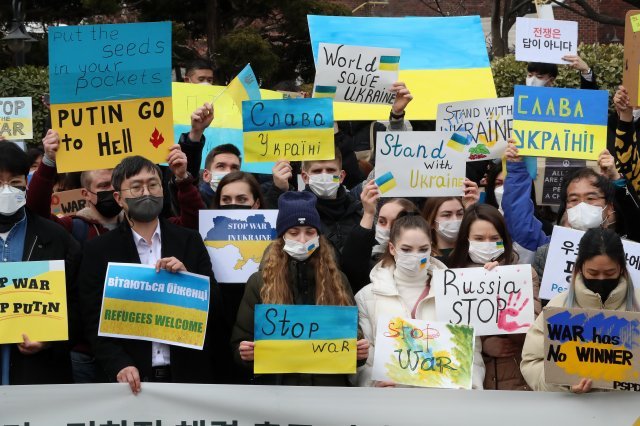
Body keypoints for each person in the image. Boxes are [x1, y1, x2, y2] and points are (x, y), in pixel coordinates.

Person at [78, 155, 229, 394]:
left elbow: (218, 309)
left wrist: (189, 280)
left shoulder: (189, 241)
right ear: (119, 198)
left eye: (153, 184)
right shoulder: (99, 250)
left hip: (189, 380)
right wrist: (119, 363)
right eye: (136, 187)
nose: (146, 192)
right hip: (132, 383)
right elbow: (92, 317)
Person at [231, 191, 369, 386]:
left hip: (329, 391)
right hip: (279, 393)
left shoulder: (338, 280)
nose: (303, 240)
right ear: (282, 237)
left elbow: (352, 341)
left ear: (319, 235)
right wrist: (245, 353)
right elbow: (240, 342)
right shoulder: (259, 282)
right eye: (294, 233)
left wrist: (359, 353)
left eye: (310, 232)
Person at [355, 214, 485, 388]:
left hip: (443, 403)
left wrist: (470, 385)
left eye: (423, 249)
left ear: (431, 248)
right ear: (392, 248)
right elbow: (365, 357)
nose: (416, 256)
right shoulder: (367, 296)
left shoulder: (454, 292)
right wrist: (373, 384)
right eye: (407, 249)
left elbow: (472, 351)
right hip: (390, 403)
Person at [0, 141, 81, 385]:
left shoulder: (55, 238)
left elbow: (80, 306)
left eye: (14, 182)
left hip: (38, 380)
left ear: (26, 182)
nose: (6, 191)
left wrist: (50, 340)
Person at [521, 228, 640, 392]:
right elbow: (531, 362)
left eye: (609, 272)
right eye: (593, 272)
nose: (601, 279)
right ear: (579, 267)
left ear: (621, 268)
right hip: (576, 412)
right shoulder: (558, 307)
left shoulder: (637, 303)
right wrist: (564, 383)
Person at [448, 204, 540, 390]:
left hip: (516, 380)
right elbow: (447, 334)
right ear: (466, 240)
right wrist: (483, 345)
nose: (487, 244)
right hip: (471, 382)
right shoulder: (450, 279)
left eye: (494, 238)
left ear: (504, 240)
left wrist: (502, 280)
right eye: (479, 239)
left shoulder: (524, 275)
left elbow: (535, 329)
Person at [268, 149, 362, 257]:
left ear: (341, 177)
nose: (324, 176)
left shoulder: (357, 211)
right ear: (305, 177)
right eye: (317, 171)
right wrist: (278, 190)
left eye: (330, 170)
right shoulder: (295, 212)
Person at [341, 186, 419, 294]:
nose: (387, 228)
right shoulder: (369, 256)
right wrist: (368, 214)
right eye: (382, 222)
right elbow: (352, 267)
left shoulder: (419, 259)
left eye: (396, 223)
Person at [526, 57, 597, 89]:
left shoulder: (560, 100)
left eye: (539, 77)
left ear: (551, 80)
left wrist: (585, 70)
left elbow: (589, 100)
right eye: (530, 75)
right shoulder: (516, 101)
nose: (532, 81)